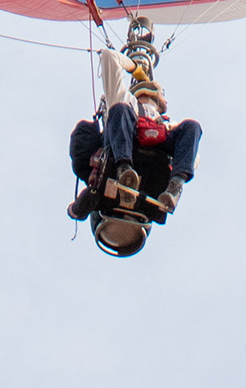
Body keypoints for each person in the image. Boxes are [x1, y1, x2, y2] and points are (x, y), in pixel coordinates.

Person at [68, 45, 202, 241]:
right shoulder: (125, 100)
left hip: (157, 159)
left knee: (193, 127)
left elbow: (193, 157)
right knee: (119, 109)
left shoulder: (170, 126)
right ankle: (124, 171)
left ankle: (175, 186)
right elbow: (109, 56)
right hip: (124, 151)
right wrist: (135, 68)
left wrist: (175, 142)